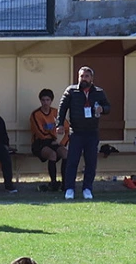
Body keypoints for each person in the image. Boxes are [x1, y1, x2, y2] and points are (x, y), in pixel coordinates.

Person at [59, 67, 112, 200]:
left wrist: (102, 109)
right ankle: (69, 188)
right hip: (76, 132)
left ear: (91, 78)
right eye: (82, 76)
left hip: (92, 133)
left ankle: (87, 188)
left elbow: (108, 107)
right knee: (72, 161)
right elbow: (62, 107)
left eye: (87, 76)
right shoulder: (71, 91)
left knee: (91, 162)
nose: (84, 79)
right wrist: (59, 124)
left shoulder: (99, 92)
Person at [30, 89, 67, 192]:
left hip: (53, 141)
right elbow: (40, 133)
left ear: (51, 101)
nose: (45, 103)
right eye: (43, 100)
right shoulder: (36, 114)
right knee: (52, 154)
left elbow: (68, 129)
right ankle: (53, 183)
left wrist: (62, 142)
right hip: (39, 143)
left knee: (65, 153)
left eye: (48, 100)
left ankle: (65, 183)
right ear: (40, 101)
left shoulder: (56, 113)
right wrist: (53, 139)